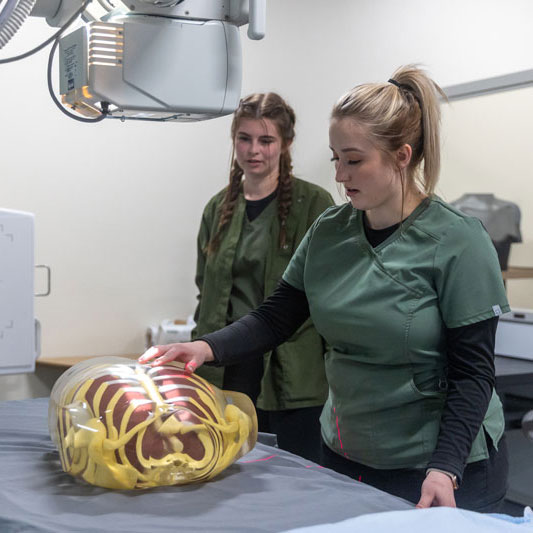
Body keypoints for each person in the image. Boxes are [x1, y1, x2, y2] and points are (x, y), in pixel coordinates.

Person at [140, 66, 509, 512]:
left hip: (441, 466)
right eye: (336, 158)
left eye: (354, 160)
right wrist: (204, 348)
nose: (340, 175)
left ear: (402, 155)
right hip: (348, 449)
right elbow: (276, 316)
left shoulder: (457, 242)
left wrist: (444, 467)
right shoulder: (330, 231)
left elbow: (474, 373)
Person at [189, 92, 334, 463]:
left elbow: (327, 298)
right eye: (245, 138)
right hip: (226, 369)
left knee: (295, 475)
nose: (254, 150)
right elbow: (205, 292)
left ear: (285, 144)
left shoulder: (315, 206)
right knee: (223, 469)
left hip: (293, 374)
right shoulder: (216, 208)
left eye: (266, 140)